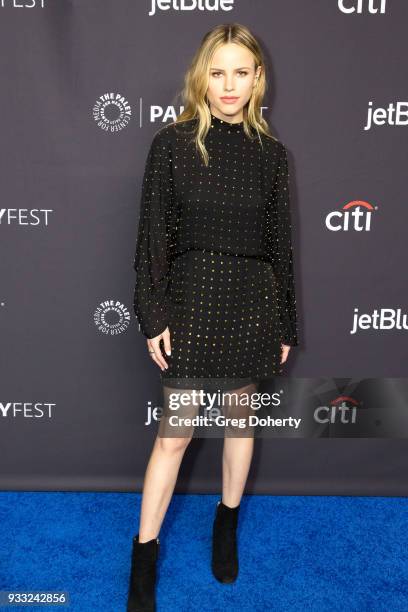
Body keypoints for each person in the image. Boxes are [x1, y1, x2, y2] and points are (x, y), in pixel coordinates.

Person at [127, 22, 300, 612]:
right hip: (192, 301)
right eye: (218, 72)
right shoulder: (172, 144)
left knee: (239, 424)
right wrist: (154, 315)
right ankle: (144, 556)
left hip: (251, 303)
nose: (230, 85)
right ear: (203, 77)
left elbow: (280, 245)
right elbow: (152, 237)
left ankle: (225, 525)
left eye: (242, 72)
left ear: (258, 80)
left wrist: (284, 324)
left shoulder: (273, 157)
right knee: (173, 437)